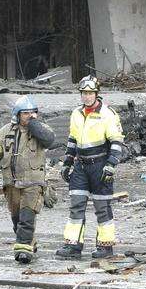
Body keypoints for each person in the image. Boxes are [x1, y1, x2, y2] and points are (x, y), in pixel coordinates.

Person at [56, 76, 125, 260]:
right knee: (76, 205)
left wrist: (111, 165)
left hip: (100, 165)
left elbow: (117, 142)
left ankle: (105, 246)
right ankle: (73, 245)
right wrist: (67, 163)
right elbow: (72, 140)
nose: (87, 97)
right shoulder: (76, 114)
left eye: (90, 93)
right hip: (81, 165)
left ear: (96, 94)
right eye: (84, 93)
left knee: (102, 206)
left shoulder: (107, 114)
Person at [0, 96, 55, 263]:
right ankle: (28, 242)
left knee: (27, 216)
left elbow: (49, 140)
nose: (30, 115)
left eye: (33, 112)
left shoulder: (41, 129)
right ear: (17, 114)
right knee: (16, 219)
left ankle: (23, 251)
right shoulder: (5, 131)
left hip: (33, 181)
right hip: (11, 182)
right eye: (25, 113)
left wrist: (34, 124)